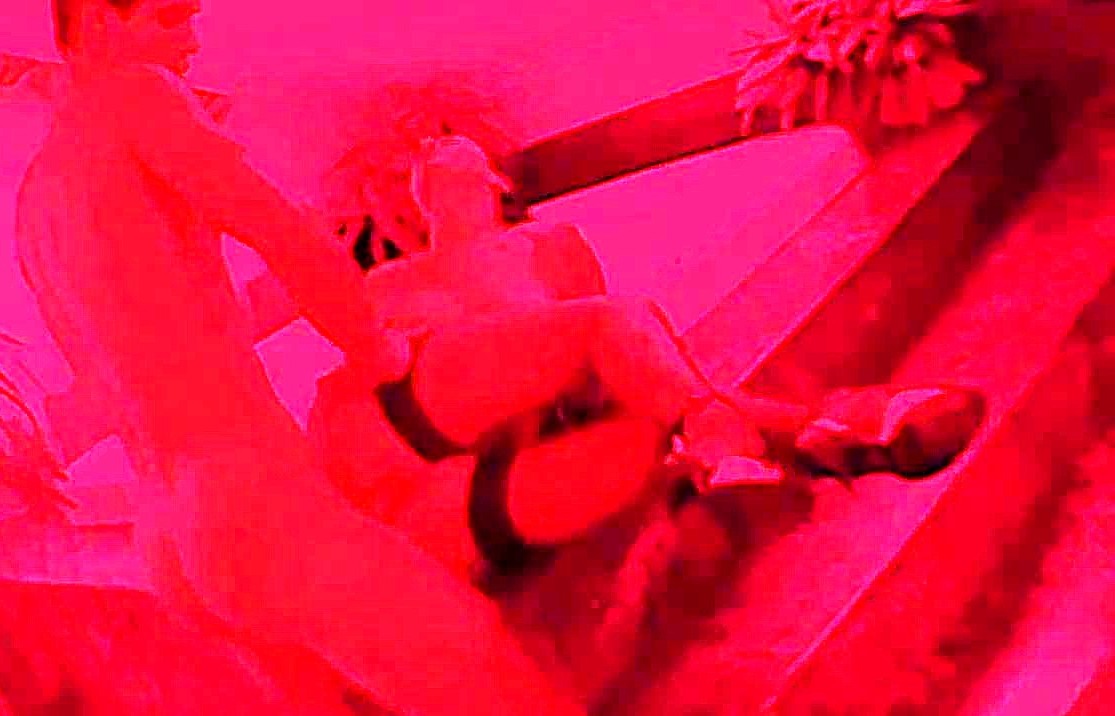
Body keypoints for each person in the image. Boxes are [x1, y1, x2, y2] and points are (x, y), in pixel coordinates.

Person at [15, 2, 589, 716]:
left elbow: (137, 351)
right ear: (99, 23)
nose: (193, 39)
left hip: (169, 531)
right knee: (487, 672)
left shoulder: (37, 202)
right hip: (253, 493)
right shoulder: (136, 94)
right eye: (171, 17)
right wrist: (381, 353)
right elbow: (279, 231)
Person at [306, 136, 987, 582]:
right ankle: (795, 434)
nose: (443, 170)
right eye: (434, 171)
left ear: (492, 183)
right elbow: (374, 380)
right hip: (433, 444)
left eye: (459, 162)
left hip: (522, 452)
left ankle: (824, 441)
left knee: (640, 395)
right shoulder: (392, 282)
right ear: (418, 200)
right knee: (621, 337)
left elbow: (614, 359)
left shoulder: (550, 246)